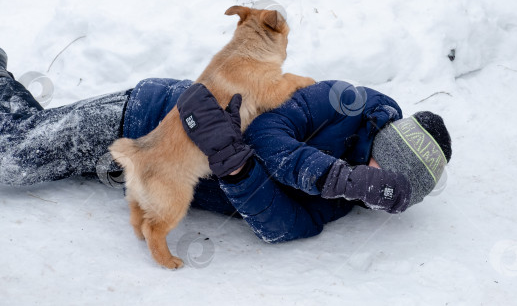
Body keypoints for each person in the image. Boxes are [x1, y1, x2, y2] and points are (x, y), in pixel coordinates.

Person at [0, 47, 452, 243]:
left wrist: (239, 173)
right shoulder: (341, 102)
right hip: (146, 120)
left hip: (151, 175)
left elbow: (285, 225)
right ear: (385, 150)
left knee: (26, 135)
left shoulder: (346, 196)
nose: (373, 196)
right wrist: (335, 176)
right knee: (11, 158)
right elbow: (266, 133)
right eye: (381, 178)